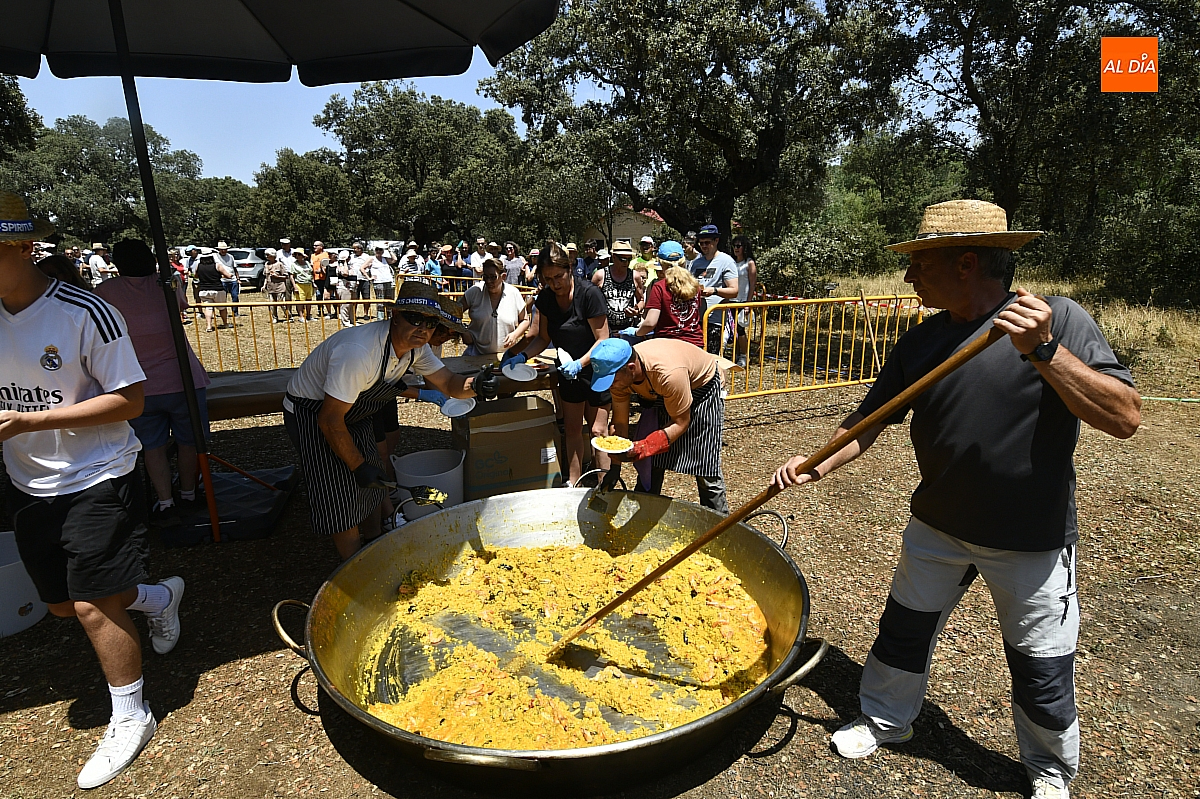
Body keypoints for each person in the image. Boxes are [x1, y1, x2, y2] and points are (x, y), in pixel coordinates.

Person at [770, 200, 1142, 799]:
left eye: (921, 263)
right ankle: (886, 719)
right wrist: (814, 463)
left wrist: (1044, 351)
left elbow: (1123, 417)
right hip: (938, 524)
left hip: (1029, 537)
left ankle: (1049, 769)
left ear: (967, 262)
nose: (910, 276)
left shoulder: (1058, 320)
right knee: (903, 630)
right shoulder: (921, 341)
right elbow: (868, 421)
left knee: (1041, 662)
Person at [0, 194, 184, 790]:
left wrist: (31, 422)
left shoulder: (85, 312)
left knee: (90, 604)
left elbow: (131, 399)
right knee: (61, 602)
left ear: (25, 247)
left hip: (98, 472)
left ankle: (131, 715)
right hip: (29, 480)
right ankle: (157, 598)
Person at [283, 281, 498, 559]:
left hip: (355, 411)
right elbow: (330, 420)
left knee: (373, 485)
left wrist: (476, 384)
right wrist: (357, 466)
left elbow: (450, 383)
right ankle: (354, 570)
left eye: (431, 322)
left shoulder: (417, 349)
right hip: (314, 415)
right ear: (395, 316)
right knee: (342, 496)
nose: (423, 329)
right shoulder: (358, 352)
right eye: (415, 318)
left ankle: (375, 543)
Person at [96, 239, 212, 526]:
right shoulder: (168, 284)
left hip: (136, 382)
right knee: (190, 441)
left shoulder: (105, 292)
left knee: (152, 446)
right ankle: (188, 493)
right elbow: (181, 307)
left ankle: (165, 501)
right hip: (182, 378)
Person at [503, 241, 611, 486]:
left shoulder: (589, 294)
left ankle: (605, 484)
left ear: (569, 268)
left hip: (597, 371)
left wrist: (580, 364)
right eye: (548, 279)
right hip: (568, 371)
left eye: (559, 276)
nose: (555, 283)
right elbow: (543, 337)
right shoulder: (546, 299)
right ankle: (573, 482)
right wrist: (523, 356)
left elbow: (603, 340)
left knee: (597, 432)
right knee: (572, 430)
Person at [586, 337, 729, 513]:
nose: (610, 386)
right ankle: (645, 514)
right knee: (652, 463)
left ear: (631, 369)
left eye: (612, 380)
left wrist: (644, 447)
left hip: (702, 391)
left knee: (705, 467)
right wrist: (615, 466)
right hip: (661, 394)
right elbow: (620, 423)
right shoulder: (621, 377)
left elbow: (681, 422)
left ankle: (720, 524)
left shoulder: (669, 374)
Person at [636, 241, 705, 346]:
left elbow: (650, 323)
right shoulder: (695, 285)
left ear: (661, 263)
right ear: (683, 262)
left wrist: (636, 333)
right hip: (696, 344)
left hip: (668, 344)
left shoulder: (660, 287)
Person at [462, 258, 529, 356]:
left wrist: (515, 335)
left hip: (506, 355)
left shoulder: (514, 293)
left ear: (503, 276)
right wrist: (463, 330)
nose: (488, 281)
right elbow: (453, 312)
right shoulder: (475, 291)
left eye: (493, 277)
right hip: (475, 354)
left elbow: (525, 320)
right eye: (485, 277)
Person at [690, 224, 738, 354]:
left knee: (712, 358)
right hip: (694, 318)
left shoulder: (726, 261)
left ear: (716, 241)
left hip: (714, 319)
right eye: (701, 243)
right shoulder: (696, 263)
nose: (704, 246)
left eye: (707, 242)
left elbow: (734, 290)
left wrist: (714, 291)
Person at [593, 240, 644, 337]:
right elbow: (590, 302)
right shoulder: (600, 275)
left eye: (629, 259)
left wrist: (637, 310)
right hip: (605, 329)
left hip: (628, 329)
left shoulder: (634, 276)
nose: (626, 263)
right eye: (623, 259)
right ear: (614, 257)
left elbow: (641, 300)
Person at [731, 235, 758, 368]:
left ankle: (744, 355)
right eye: (734, 245)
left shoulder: (749, 263)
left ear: (744, 247)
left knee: (740, 329)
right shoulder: (731, 262)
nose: (736, 248)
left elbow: (752, 285)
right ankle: (736, 353)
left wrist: (748, 303)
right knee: (732, 329)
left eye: (738, 246)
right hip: (731, 300)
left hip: (742, 301)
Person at [193, 248, 231, 331]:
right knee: (222, 308)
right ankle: (225, 323)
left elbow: (195, 276)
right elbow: (228, 275)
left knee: (208, 308)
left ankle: (209, 326)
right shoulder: (217, 265)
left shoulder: (198, 266)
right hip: (217, 290)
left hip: (204, 290)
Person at [262, 248, 290, 322]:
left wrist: (277, 277)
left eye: (268, 255)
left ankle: (288, 316)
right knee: (272, 304)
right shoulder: (266, 264)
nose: (266, 256)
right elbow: (266, 276)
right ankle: (274, 317)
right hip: (270, 287)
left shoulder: (279, 264)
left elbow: (286, 276)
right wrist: (264, 286)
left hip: (280, 287)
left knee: (281, 303)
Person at [348, 242, 373, 319]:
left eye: (355, 248)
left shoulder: (366, 256)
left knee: (366, 297)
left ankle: (366, 314)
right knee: (355, 298)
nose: (353, 250)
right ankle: (353, 314)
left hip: (364, 279)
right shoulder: (351, 257)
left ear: (360, 249)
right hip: (354, 280)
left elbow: (371, 265)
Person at [370, 245, 396, 320]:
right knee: (380, 301)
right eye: (377, 250)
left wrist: (389, 250)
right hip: (378, 282)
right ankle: (380, 319)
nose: (379, 251)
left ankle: (389, 318)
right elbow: (362, 268)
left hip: (388, 281)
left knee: (389, 300)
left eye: (380, 250)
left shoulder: (385, 259)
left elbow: (394, 259)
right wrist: (369, 277)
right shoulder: (372, 259)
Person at [214, 241, 240, 316]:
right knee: (222, 298)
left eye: (225, 249)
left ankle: (235, 312)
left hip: (233, 279)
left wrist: (238, 278)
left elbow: (234, 268)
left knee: (235, 296)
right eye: (222, 249)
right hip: (222, 280)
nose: (223, 251)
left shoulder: (230, 257)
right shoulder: (215, 257)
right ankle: (223, 312)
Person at [336, 248, 359, 327]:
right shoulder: (340, 265)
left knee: (352, 305)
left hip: (352, 287)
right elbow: (345, 273)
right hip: (344, 288)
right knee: (345, 305)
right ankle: (345, 321)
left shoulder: (351, 265)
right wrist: (344, 262)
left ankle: (352, 320)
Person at [289, 248, 314, 321]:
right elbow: (291, 276)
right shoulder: (294, 264)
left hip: (308, 284)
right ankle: (301, 316)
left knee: (309, 300)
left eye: (299, 254)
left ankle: (309, 315)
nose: (297, 256)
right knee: (300, 301)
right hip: (299, 284)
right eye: (296, 254)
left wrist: (313, 283)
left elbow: (311, 273)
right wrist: (294, 286)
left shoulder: (307, 263)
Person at [311, 241, 332, 319]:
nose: (314, 247)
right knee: (318, 295)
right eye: (314, 245)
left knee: (328, 296)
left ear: (321, 247)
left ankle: (331, 312)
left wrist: (322, 269)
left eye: (316, 245)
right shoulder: (312, 256)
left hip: (325, 278)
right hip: (316, 279)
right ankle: (320, 311)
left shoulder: (326, 254)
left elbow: (328, 265)